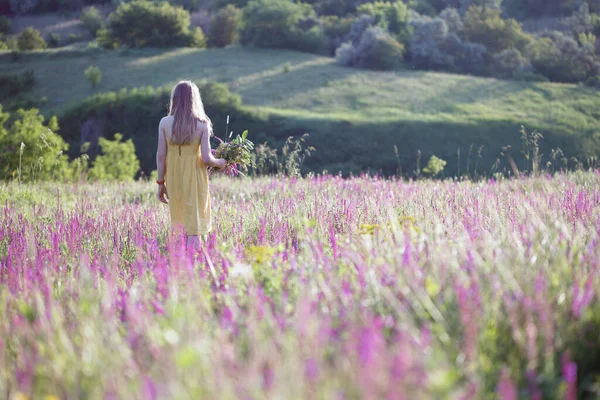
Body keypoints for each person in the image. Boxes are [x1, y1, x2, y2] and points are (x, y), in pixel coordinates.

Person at [155, 81, 226, 249]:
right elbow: (208, 159)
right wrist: (221, 163)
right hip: (194, 175)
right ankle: (193, 263)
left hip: (173, 175)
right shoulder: (202, 125)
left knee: (179, 219)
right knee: (194, 221)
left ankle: (181, 262)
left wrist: (160, 183)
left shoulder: (164, 123)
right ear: (195, 99)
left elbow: (160, 156)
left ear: (175, 99)